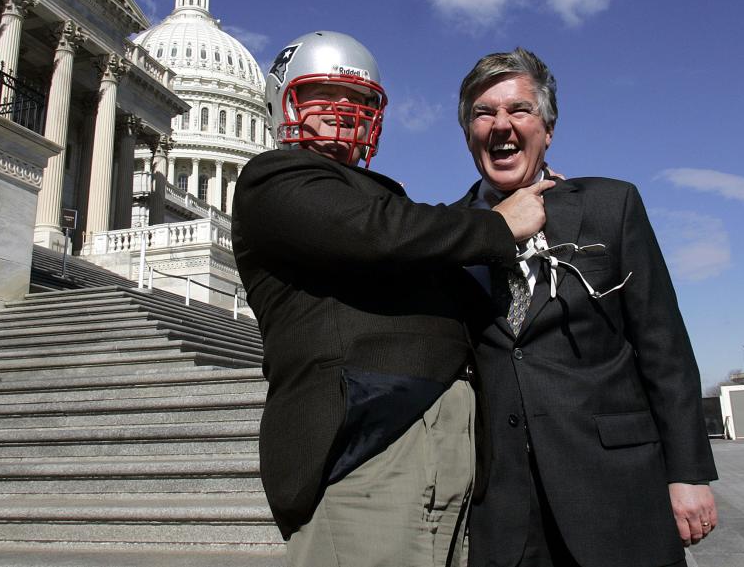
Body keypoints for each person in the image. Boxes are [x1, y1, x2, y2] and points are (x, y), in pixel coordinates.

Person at [231, 31, 552, 566]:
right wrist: (495, 225)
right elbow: (372, 230)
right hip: (370, 449)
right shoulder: (271, 179)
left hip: (444, 451)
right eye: (323, 95)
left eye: (359, 101)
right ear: (282, 99)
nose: (343, 111)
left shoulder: (386, 197)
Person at [453, 48, 718, 567]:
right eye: (483, 113)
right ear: (468, 133)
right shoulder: (448, 233)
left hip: (617, 490)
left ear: (547, 129)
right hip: (505, 507)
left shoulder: (609, 207)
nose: (500, 125)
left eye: (519, 110)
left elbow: (663, 346)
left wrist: (688, 473)